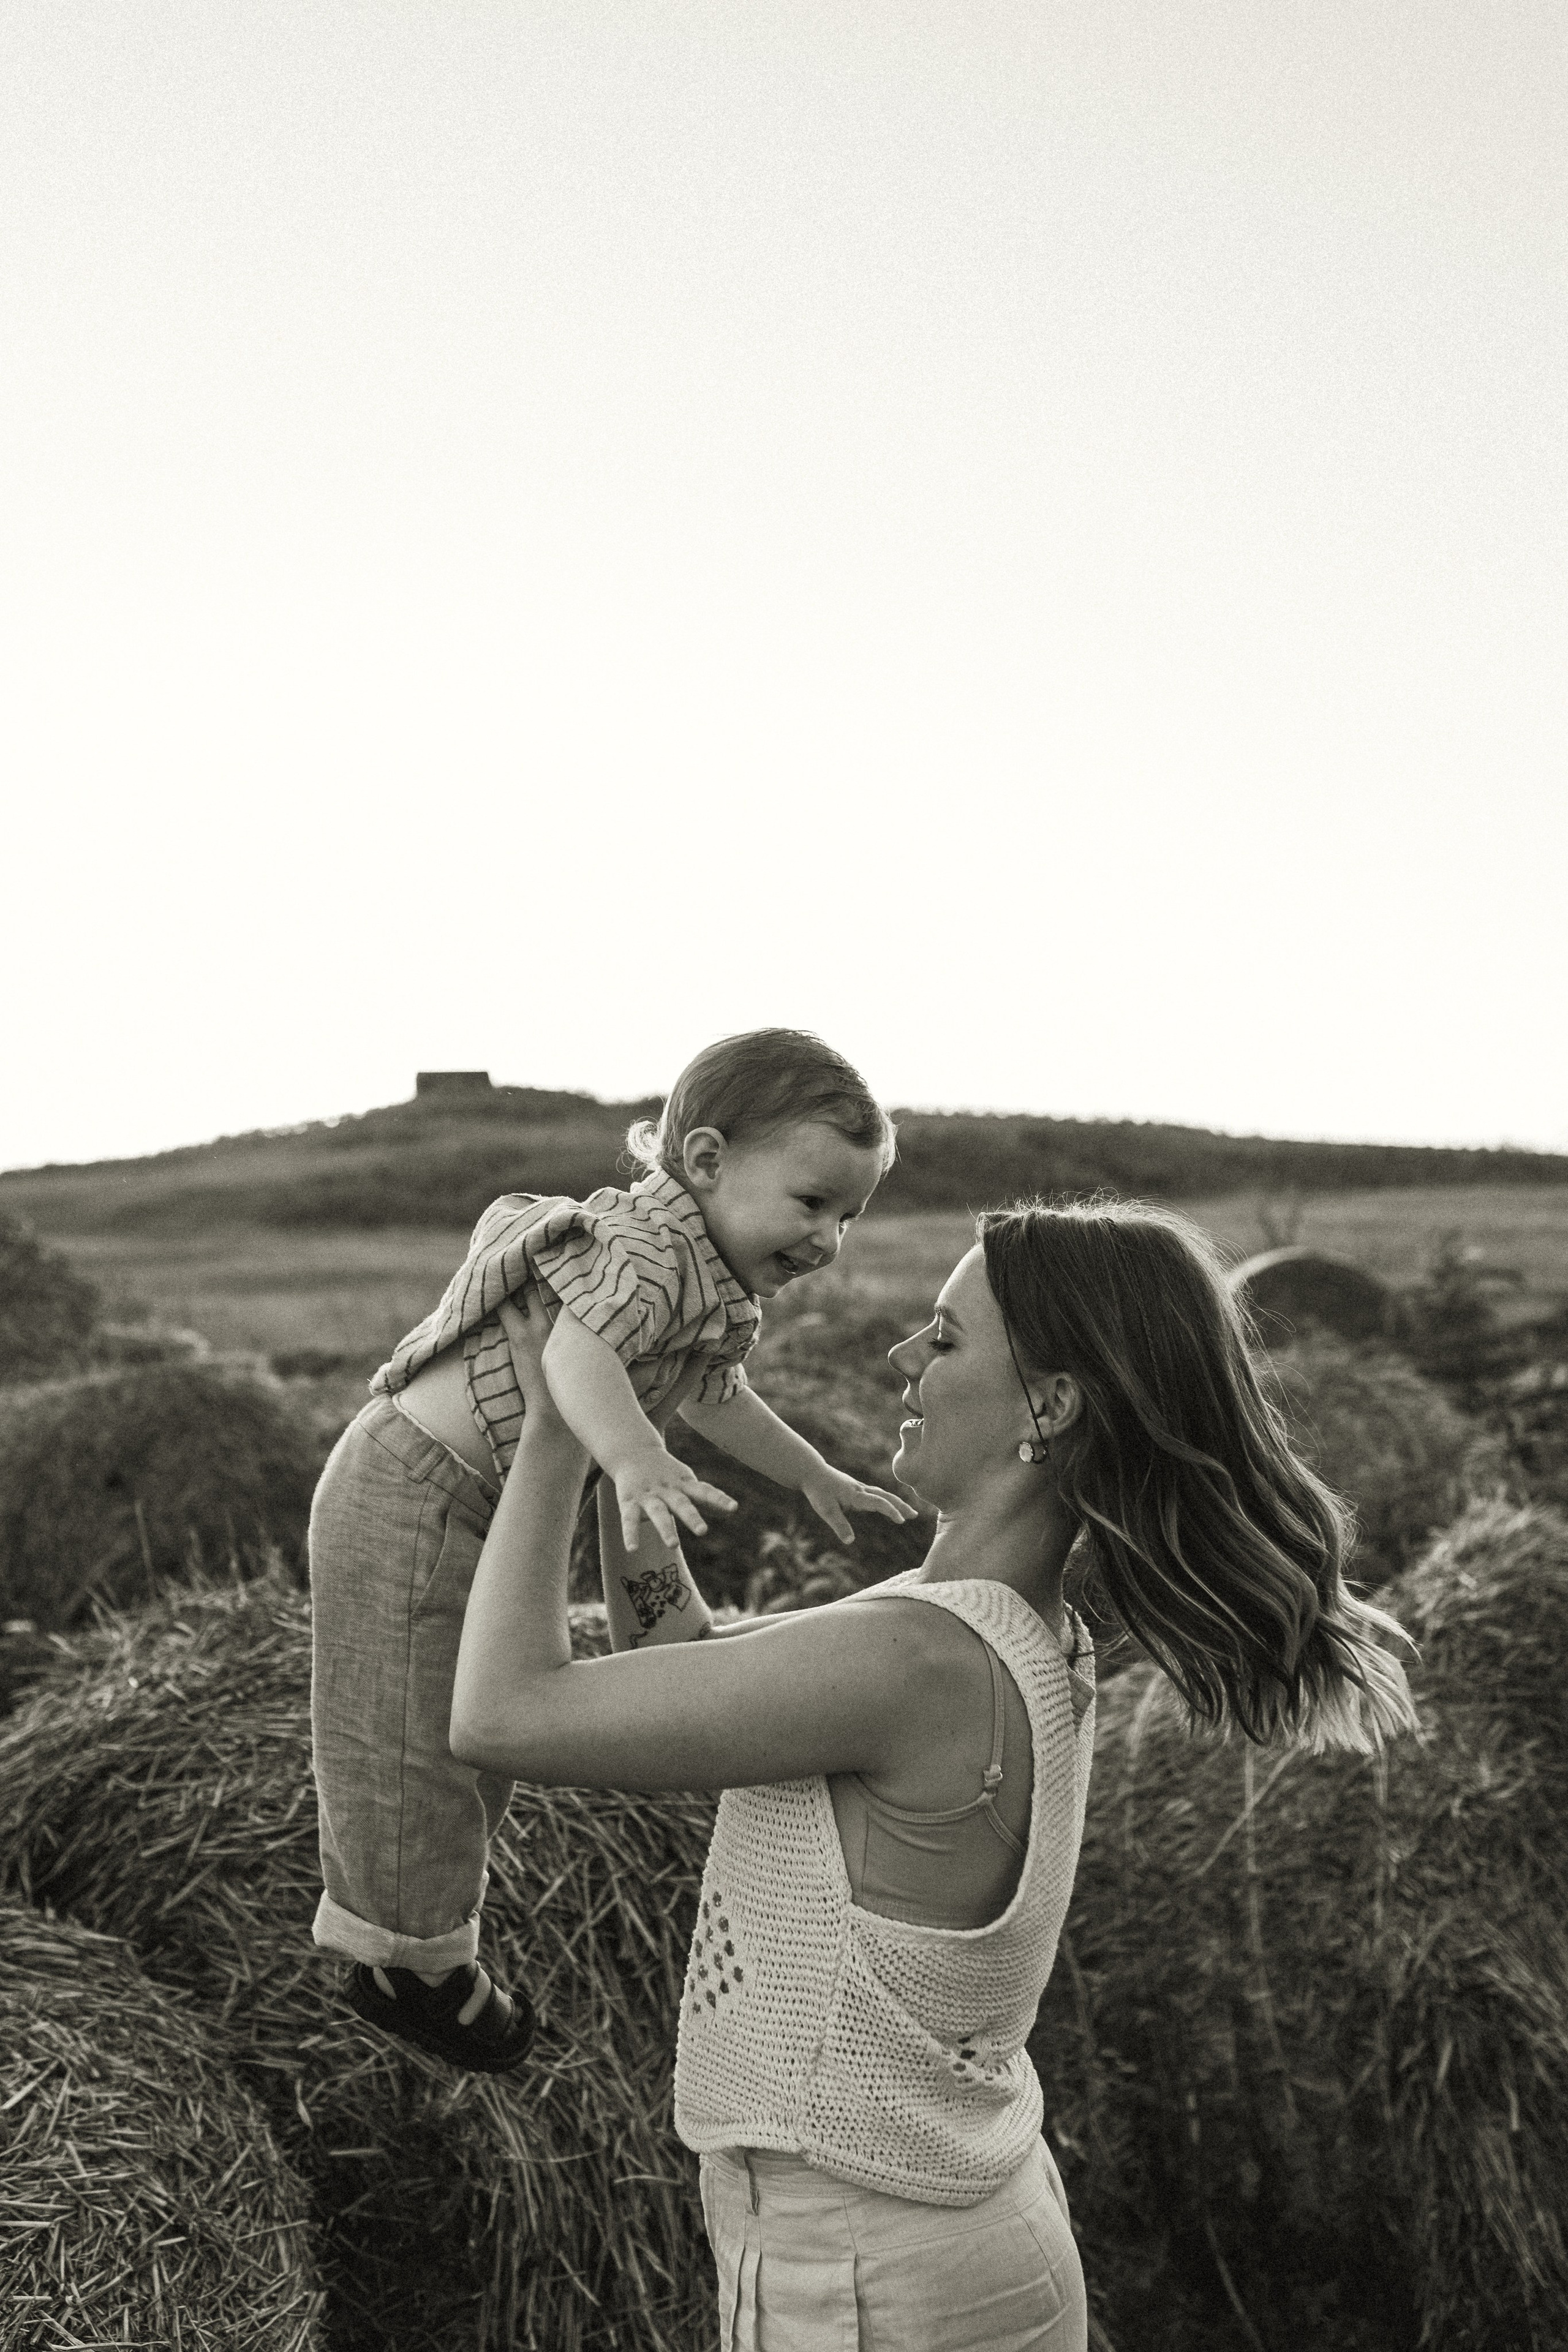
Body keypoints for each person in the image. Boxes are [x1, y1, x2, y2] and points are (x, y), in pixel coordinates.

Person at [449, 1195, 1418, 2352]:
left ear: (1050, 1408)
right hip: (927, 2243)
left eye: (947, 1339)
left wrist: (567, 1405)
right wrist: (633, 1452)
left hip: (873, 2280)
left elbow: (503, 1715)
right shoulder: (987, 1627)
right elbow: (683, 1669)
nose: (903, 1357)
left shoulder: (918, 1660)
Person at [308, 1030, 916, 2070]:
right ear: (709, 1162)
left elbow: (718, 1394)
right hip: (413, 1485)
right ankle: (399, 1958)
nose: (829, 1241)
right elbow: (578, 1360)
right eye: (812, 1204)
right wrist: (634, 1458)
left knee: (475, 1735)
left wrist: (810, 1471)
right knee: (404, 1729)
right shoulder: (639, 1252)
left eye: (850, 1216)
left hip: (483, 1501)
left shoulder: (710, 1278)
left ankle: (432, 1931)